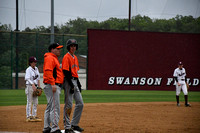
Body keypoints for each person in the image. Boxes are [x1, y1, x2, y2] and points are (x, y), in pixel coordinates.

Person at [62, 39, 84, 133]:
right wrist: (71, 85)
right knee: (69, 105)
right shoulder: (66, 57)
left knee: (80, 103)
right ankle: (67, 127)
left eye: (74, 46)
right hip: (68, 81)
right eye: (71, 46)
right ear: (68, 47)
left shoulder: (75, 57)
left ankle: (74, 124)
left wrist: (78, 84)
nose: (73, 47)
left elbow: (75, 72)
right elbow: (66, 72)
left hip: (74, 81)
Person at [43, 43, 64, 133]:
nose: (59, 50)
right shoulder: (50, 58)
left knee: (50, 107)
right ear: (52, 49)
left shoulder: (53, 58)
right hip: (52, 85)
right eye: (57, 48)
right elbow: (48, 71)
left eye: (60, 49)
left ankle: (47, 127)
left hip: (51, 85)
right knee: (55, 107)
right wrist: (53, 84)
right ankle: (55, 128)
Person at [25, 56, 42, 122]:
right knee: (29, 101)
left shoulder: (36, 69)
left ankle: (34, 115)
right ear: (30, 63)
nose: (35, 63)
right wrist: (32, 84)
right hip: (29, 86)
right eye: (33, 62)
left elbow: (38, 78)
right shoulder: (28, 69)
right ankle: (28, 116)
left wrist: (39, 86)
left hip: (35, 87)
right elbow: (27, 78)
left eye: (35, 62)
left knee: (36, 102)